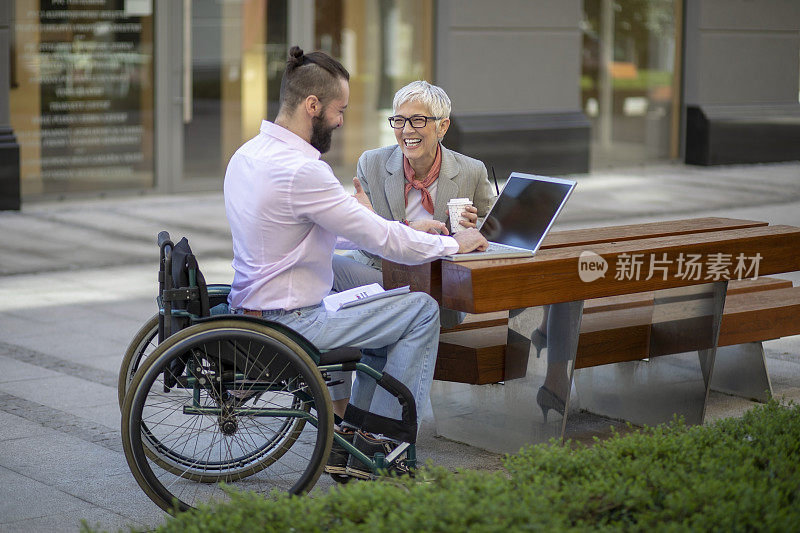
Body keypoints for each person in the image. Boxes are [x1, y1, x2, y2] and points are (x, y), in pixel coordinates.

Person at [223, 47, 488, 480]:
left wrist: (411, 228)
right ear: (313, 106)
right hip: (293, 319)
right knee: (421, 310)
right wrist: (452, 246)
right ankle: (383, 440)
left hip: (255, 302)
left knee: (387, 307)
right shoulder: (301, 171)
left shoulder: (248, 155)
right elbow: (379, 238)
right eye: (339, 109)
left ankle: (352, 434)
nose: (342, 120)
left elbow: (337, 224)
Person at [330, 80, 572, 425]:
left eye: (418, 121)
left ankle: (365, 426)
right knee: (327, 277)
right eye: (399, 120)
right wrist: (380, 219)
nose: (406, 130)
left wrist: (477, 225)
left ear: (442, 126)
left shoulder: (471, 170)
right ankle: (354, 420)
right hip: (384, 274)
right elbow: (367, 234)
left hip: (441, 289)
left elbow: (493, 228)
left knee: (376, 331)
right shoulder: (372, 163)